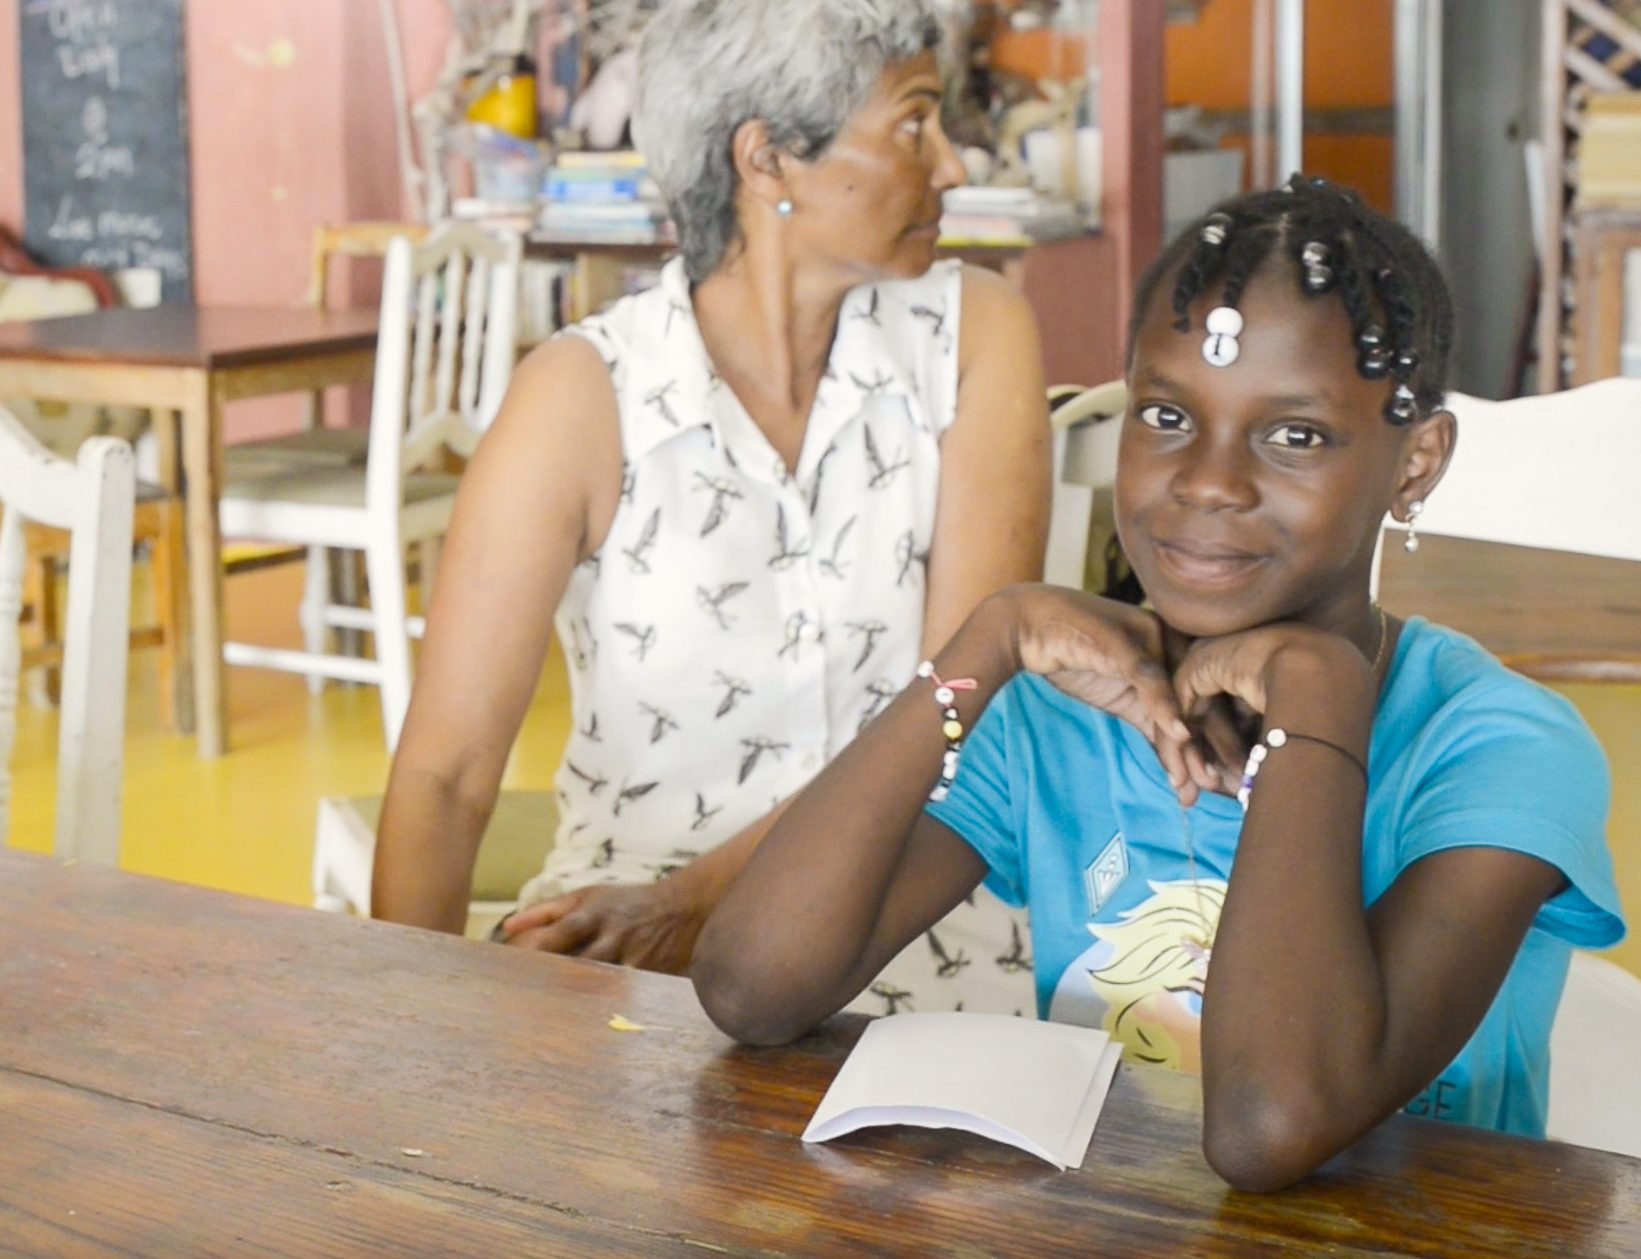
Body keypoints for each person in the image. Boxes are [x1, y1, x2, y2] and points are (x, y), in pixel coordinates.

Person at [692, 176, 1626, 1191]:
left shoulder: (1503, 750)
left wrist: (1318, 696)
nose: (1209, 481)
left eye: (1295, 435)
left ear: (1415, 464)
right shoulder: (1056, 722)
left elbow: (1272, 1123)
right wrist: (986, 640)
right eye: (1168, 414)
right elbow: (753, 985)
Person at [370, 0, 1052, 1016]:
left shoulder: (974, 335)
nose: (952, 166)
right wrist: (396, 1052)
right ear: (766, 160)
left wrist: (700, 901)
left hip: (913, 913)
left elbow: (961, 709)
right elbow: (449, 774)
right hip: (622, 934)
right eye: (914, 123)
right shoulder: (581, 396)